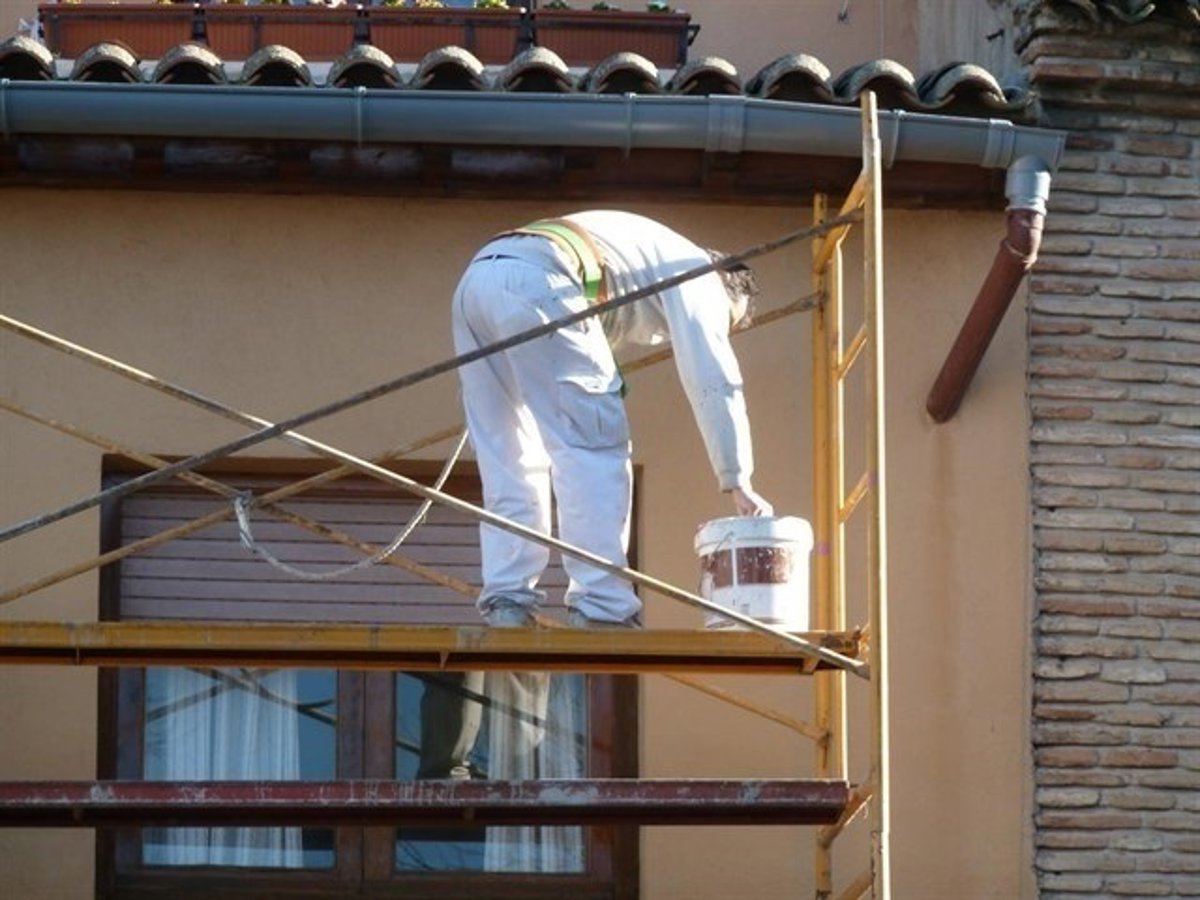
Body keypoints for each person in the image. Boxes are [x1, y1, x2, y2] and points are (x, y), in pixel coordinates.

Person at [451, 210, 773, 629]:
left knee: (510, 455)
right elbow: (714, 379)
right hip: (543, 280)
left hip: (478, 282)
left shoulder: (648, 252)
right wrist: (737, 477)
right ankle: (601, 607)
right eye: (726, 323)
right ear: (726, 284)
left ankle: (508, 600)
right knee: (592, 447)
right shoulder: (699, 275)